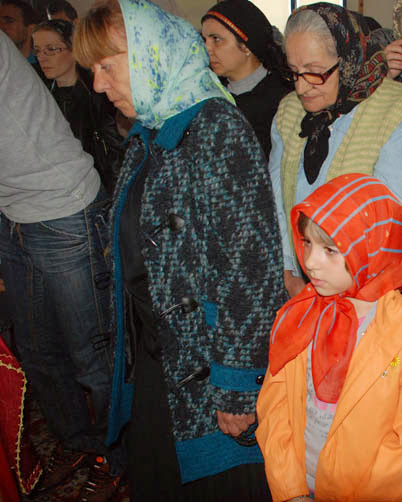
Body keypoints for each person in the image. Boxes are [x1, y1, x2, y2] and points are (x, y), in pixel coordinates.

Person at [73, 0, 287, 499]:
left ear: (152, 54)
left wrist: (237, 386)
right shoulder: (151, 127)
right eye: (93, 71)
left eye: (107, 66)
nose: (99, 85)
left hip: (207, 367)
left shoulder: (217, 129)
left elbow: (251, 272)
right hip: (158, 358)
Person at [257, 173, 402, 501]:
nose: (311, 262)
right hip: (300, 487)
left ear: (368, 249)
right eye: (307, 243)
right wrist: (290, 489)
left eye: (331, 250)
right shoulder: (299, 316)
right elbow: (274, 407)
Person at [0, 29, 123, 500]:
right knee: (38, 351)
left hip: (63, 208)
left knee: (92, 355)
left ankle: (120, 457)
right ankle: (79, 442)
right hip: (13, 212)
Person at [270, 3, 402, 299]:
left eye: (315, 73)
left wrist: (339, 294)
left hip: (366, 292)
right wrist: (290, 274)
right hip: (301, 286)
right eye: (294, 73)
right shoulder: (288, 112)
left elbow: (387, 222)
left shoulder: (397, 110)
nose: (301, 88)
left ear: (348, 59)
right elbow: (277, 201)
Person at [33, 19, 123, 195]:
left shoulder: (99, 96)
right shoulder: (39, 96)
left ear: (73, 50)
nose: (42, 57)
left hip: (98, 190)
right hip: (60, 190)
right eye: (37, 50)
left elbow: (114, 154)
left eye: (51, 49)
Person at [201, 0, 293, 159]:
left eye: (216, 39)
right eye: (204, 40)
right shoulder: (208, 96)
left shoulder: (283, 101)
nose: (207, 48)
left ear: (246, 46)